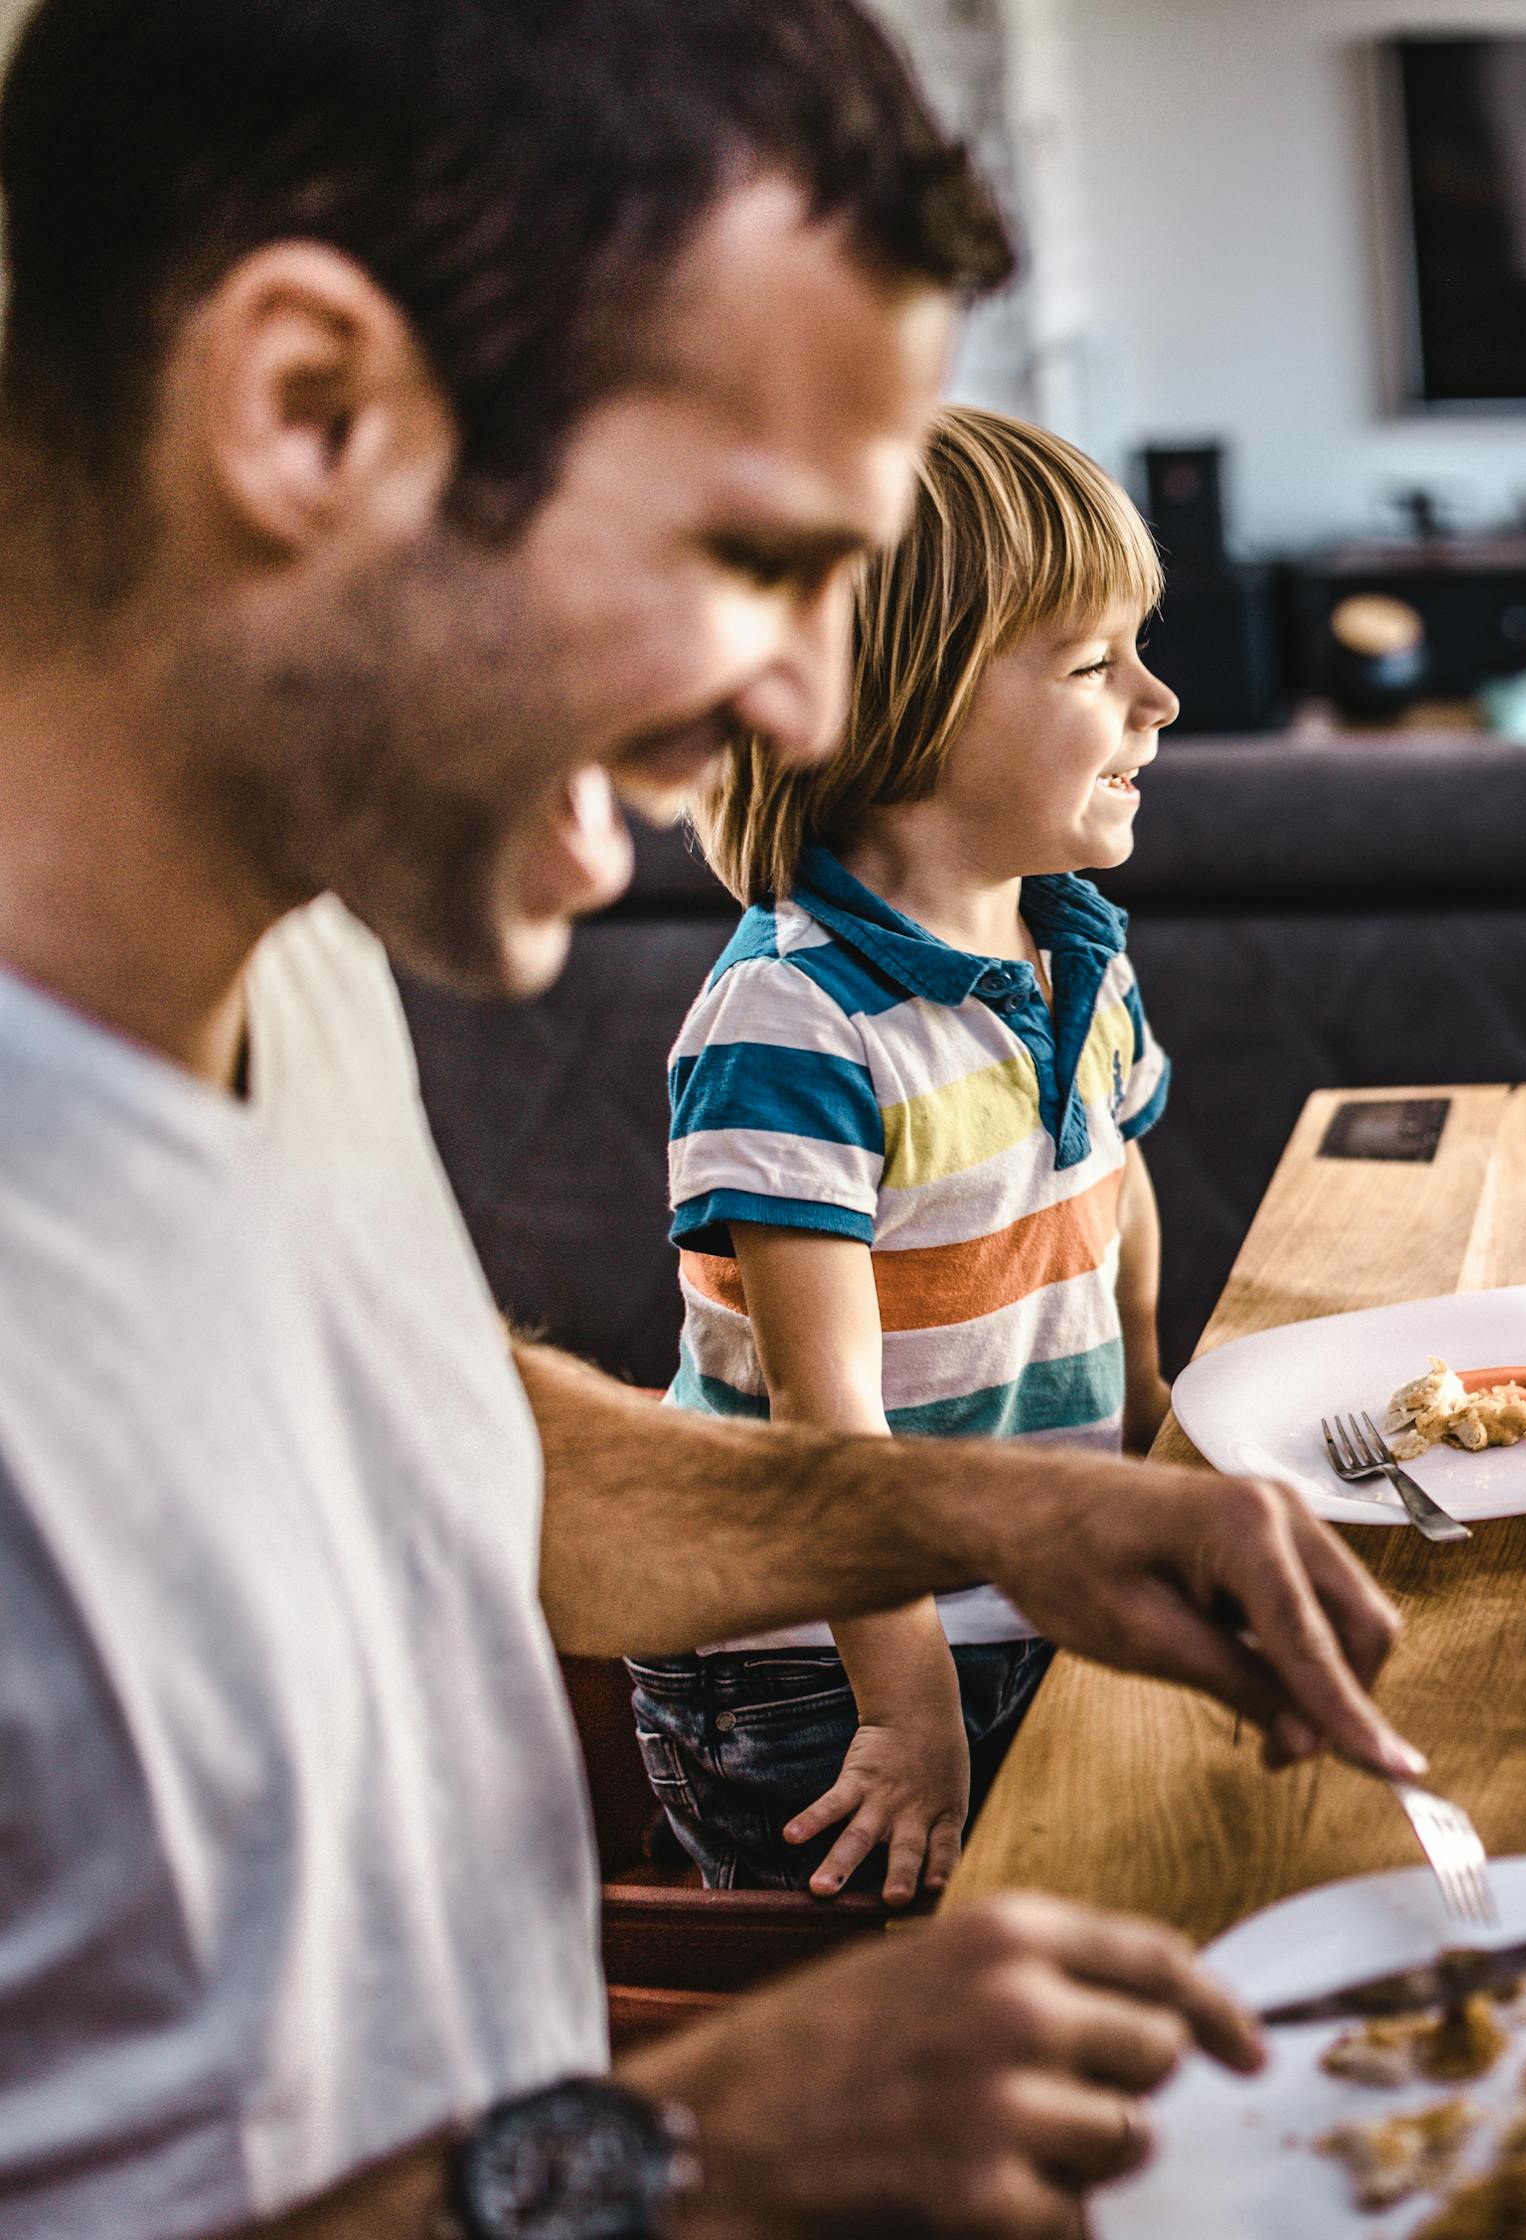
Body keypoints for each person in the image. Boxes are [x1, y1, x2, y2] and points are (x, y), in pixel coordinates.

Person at [0, 3, 1423, 2235]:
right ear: (307, 411)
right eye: (754, 554)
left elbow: (451, 1449)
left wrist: (1004, 1511)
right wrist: (696, 2153)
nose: (797, 696)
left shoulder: (297, 950)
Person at [633, 405, 1181, 1903]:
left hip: (1020, 1592)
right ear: (904, 704)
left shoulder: (1071, 943)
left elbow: (1110, 1189)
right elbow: (827, 1415)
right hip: (823, 1668)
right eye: (1091, 666)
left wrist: (1147, 1421)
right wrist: (906, 1703)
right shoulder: (794, 1018)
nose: (1161, 699)